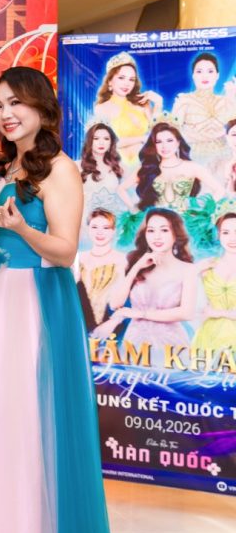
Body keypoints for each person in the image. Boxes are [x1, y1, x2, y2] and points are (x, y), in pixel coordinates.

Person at [0, 66, 140, 533]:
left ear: (42, 107)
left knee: (31, 428)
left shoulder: (60, 168)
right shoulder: (5, 168)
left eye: (16, 103)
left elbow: (63, 250)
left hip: (34, 305)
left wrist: (22, 231)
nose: (6, 114)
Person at [98, 208, 197, 367]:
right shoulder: (136, 264)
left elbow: (187, 313)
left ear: (176, 234)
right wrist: (136, 268)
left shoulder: (188, 269)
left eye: (164, 230)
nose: (157, 236)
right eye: (151, 230)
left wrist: (140, 313)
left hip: (171, 346)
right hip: (135, 342)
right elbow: (115, 304)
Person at [124, 122, 221, 210]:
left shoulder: (192, 167)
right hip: (156, 220)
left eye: (169, 140)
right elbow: (121, 189)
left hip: (184, 221)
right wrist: (134, 210)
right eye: (159, 142)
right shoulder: (148, 168)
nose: (164, 146)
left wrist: (203, 213)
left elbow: (219, 190)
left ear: (178, 142)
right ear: (154, 145)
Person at [92, 52, 161, 167]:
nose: (126, 84)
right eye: (121, 78)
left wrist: (158, 104)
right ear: (110, 81)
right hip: (117, 166)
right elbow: (106, 143)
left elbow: (157, 133)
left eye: (131, 79)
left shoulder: (142, 104)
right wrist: (142, 139)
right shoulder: (101, 109)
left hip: (146, 164)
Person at [173, 52, 236, 163]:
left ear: (217, 75)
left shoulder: (226, 100)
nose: (205, 76)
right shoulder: (183, 100)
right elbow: (173, 133)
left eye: (210, 71)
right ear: (193, 75)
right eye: (199, 71)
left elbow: (233, 130)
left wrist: (232, 97)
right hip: (194, 160)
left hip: (225, 160)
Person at [75, 209, 126, 334]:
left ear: (113, 231)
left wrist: (115, 321)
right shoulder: (77, 257)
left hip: (110, 324)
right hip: (78, 322)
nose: (100, 232)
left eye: (106, 228)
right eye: (94, 227)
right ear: (88, 229)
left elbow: (124, 299)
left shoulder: (122, 260)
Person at [193, 213, 236, 359]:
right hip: (208, 337)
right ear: (218, 235)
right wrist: (194, 271)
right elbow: (192, 307)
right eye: (226, 232)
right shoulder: (206, 266)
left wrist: (218, 313)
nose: (232, 238)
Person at [78, 122, 125, 221]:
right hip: (84, 219)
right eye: (96, 138)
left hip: (110, 220)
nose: (101, 143)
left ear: (111, 142)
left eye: (106, 139)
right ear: (89, 141)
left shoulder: (118, 167)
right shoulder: (77, 166)